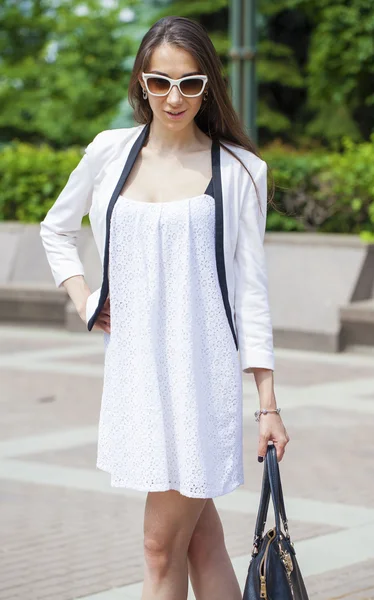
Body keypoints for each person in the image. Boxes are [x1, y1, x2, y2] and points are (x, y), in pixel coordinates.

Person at [40, 15, 290, 600]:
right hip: (136, 379)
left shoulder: (240, 172)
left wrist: (268, 405)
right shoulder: (110, 152)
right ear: (141, 83)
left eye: (190, 83)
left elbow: (252, 292)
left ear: (209, 87)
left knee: (158, 548)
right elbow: (55, 231)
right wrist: (86, 300)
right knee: (198, 544)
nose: (173, 97)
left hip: (201, 383)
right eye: (159, 82)